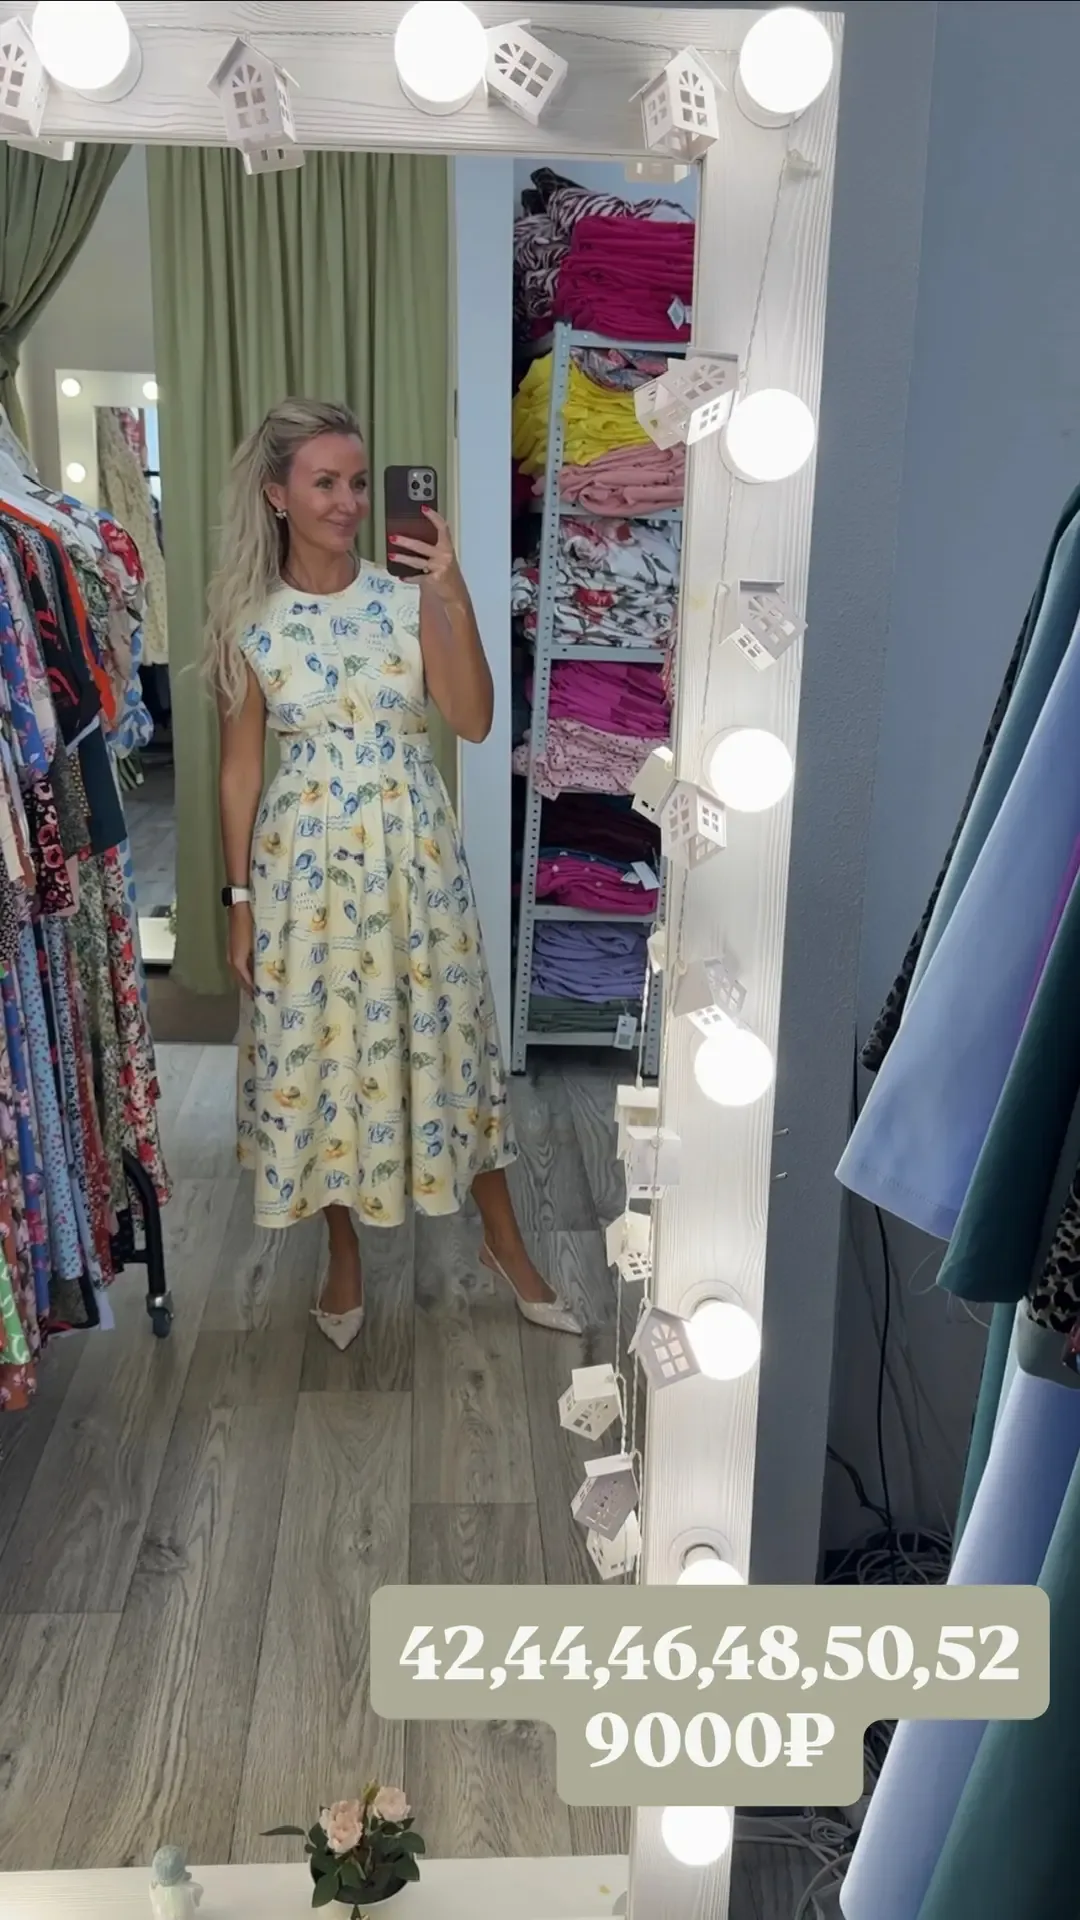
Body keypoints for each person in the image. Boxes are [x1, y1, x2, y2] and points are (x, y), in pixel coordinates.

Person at [205, 398, 581, 1349]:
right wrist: (238, 901)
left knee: (453, 1043)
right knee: (323, 1051)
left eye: (360, 482)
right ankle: (343, 1255)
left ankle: (505, 1243)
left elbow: (475, 720)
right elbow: (240, 769)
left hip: (415, 855)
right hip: (303, 871)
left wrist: (451, 593)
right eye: (325, 483)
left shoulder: (408, 596)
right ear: (278, 495)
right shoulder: (250, 622)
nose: (349, 502)